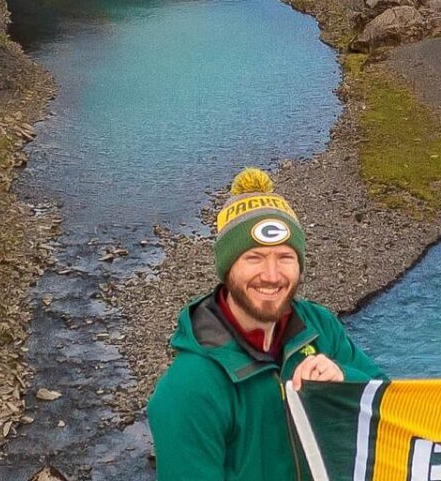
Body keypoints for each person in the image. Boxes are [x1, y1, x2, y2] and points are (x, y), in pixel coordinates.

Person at [146, 167, 382, 480]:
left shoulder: (320, 326)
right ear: (228, 267)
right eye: (254, 258)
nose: (271, 276)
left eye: (285, 257)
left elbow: (388, 402)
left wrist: (344, 380)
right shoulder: (188, 390)